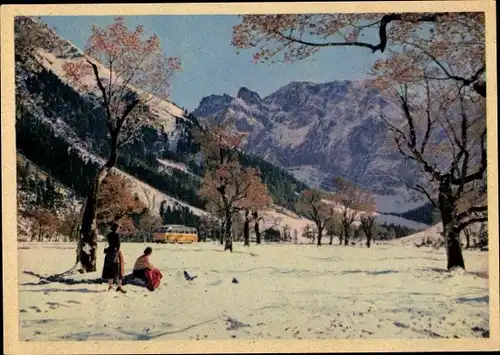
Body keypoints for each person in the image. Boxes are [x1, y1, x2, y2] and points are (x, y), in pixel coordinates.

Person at [102, 223, 127, 293]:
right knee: (119, 270)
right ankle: (119, 286)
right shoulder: (117, 235)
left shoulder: (109, 235)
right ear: (117, 228)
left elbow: (110, 243)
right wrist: (116, 250)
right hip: (115, 253)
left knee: (110, 269)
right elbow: (118, 246)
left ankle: (110, 286)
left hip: (109, 253)